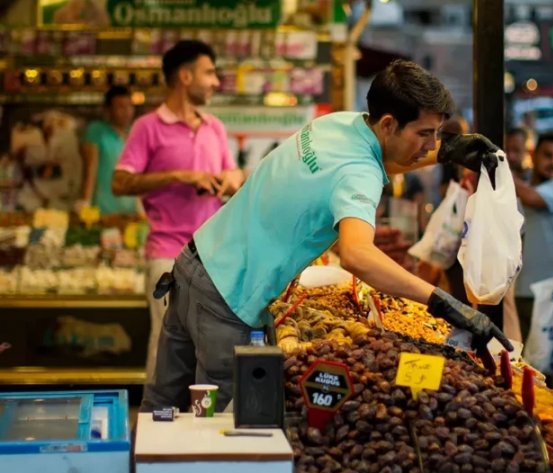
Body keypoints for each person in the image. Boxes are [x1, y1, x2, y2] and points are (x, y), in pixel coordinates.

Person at [139, 59, 509, 412]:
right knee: (215, 424)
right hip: (226, 298)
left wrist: (448, 152)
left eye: (437, 134)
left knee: (162, 408)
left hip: (192, 264)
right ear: (387, 124)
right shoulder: (359, 173)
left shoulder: (340, 125)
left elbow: (382, 159)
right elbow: (357, 254)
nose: (430, 144)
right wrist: (442, 301)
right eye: (424, 134)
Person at [112, 40, 245, 386]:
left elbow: (235, 176)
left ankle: (199, 433)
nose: (216, 82)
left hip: (214, 258)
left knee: (212, 350)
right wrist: (178, 176)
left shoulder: (214, 126)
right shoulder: (148, 127)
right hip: (167, 257)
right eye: (210, 72)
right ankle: (156, 429)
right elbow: (120, 182)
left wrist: (228, 179)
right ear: (185, 76)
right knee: (167, 349)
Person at [512, 133, 553, 342]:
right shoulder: (528, 188)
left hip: (551, 294)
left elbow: (530, 197)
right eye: (548, 155)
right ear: (534, 155)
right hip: (523, 291)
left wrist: (500, 169)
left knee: (547, 368)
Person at [79, 86, 139, 216]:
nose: (126, 111)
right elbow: (90, 169)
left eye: (129, 106)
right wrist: (85, 202)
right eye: (120, 107)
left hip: (131, 211)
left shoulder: (136, 134)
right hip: (103, 211)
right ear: (108, 110)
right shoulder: (96, 131)